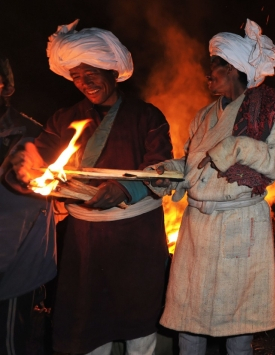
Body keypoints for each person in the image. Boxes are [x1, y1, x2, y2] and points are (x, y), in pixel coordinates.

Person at [10, 20, 173, 355]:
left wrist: (125, 189)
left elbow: (162, 170)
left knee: (137, 324)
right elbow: (41, 153)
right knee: (86, 325)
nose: (83, 83)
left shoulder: (147, 117)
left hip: (137, 238)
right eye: (76, 77)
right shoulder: (63, 117)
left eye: (91, 73)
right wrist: (23, 165)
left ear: (112, 70)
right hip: (86, 242)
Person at [147, 19, 275, 355]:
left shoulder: (265, 111)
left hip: (239, 223)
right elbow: (192, 164)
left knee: (237, 327)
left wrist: (236, 147)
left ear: (235, 69)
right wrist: (166, 171)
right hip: (198, 227)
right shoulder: (202, 116)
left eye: (215, 66)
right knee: (188, 322)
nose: (208, 75)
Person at [0, 59, 56, 355]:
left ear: (4, 85)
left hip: (12, 264)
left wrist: (20, 164)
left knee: (8, 343)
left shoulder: (29, 135)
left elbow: (34, 182)